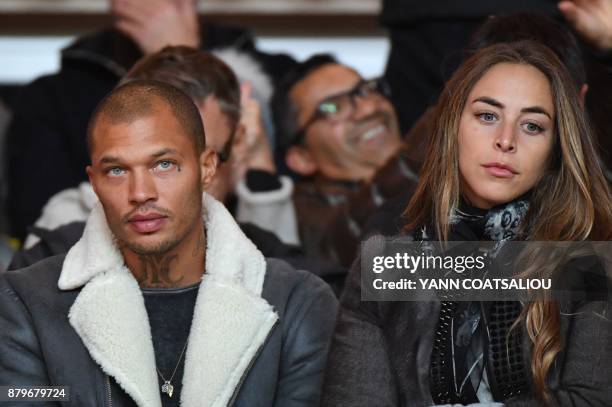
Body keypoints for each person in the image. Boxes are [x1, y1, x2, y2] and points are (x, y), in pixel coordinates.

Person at [0, 80, 337, 406]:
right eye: (116, 170)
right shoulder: (27, 304)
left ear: (206, 168)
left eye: (164, 165)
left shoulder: (295, 303)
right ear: (94, 182)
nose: (140, 192)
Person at [322, 41, 612, 406]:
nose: (505, 140)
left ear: (555, 150)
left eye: (532, 126)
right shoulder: (385, 268)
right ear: (451, 126)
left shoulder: (590, 263)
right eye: (487, 116)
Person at [6, 0, 294, 241]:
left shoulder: (275, 73)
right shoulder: (54, 96)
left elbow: (282, 289)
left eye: (210, 158)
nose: (145, 191)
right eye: (165, 162)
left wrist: (260, 185)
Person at [272, 55, 422, 268]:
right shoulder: (304, 221)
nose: (368, 109)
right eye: (332, 107)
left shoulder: (461, 175)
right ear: (302, 158)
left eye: (367, 90)